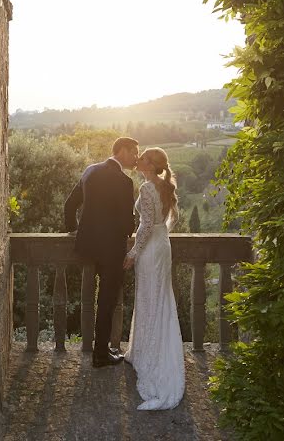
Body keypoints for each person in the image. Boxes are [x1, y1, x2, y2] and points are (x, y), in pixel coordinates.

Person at [64, 137, 139, 368]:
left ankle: (100, 350)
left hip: (87, 248)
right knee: (106, 302)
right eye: (134, 152)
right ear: (122, 151)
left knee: (95, 299)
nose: (136, 157)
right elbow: (128, 225)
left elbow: (69, 205)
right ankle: (100, 354)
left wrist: (74, 232)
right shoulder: (125, 182)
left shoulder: (90, 171)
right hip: (112, 251)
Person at [123, 147, 185, 410]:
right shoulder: (163, 185)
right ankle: (141, 350)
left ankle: (148, 356)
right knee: (158, 297)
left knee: (149, 296)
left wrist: (133, 253)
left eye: (142, 157)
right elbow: (163, 222)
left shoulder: (148, 189)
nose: (138, 159)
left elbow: (145, 226)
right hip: (163, 245)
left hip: (150, 248)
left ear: (148, 165)